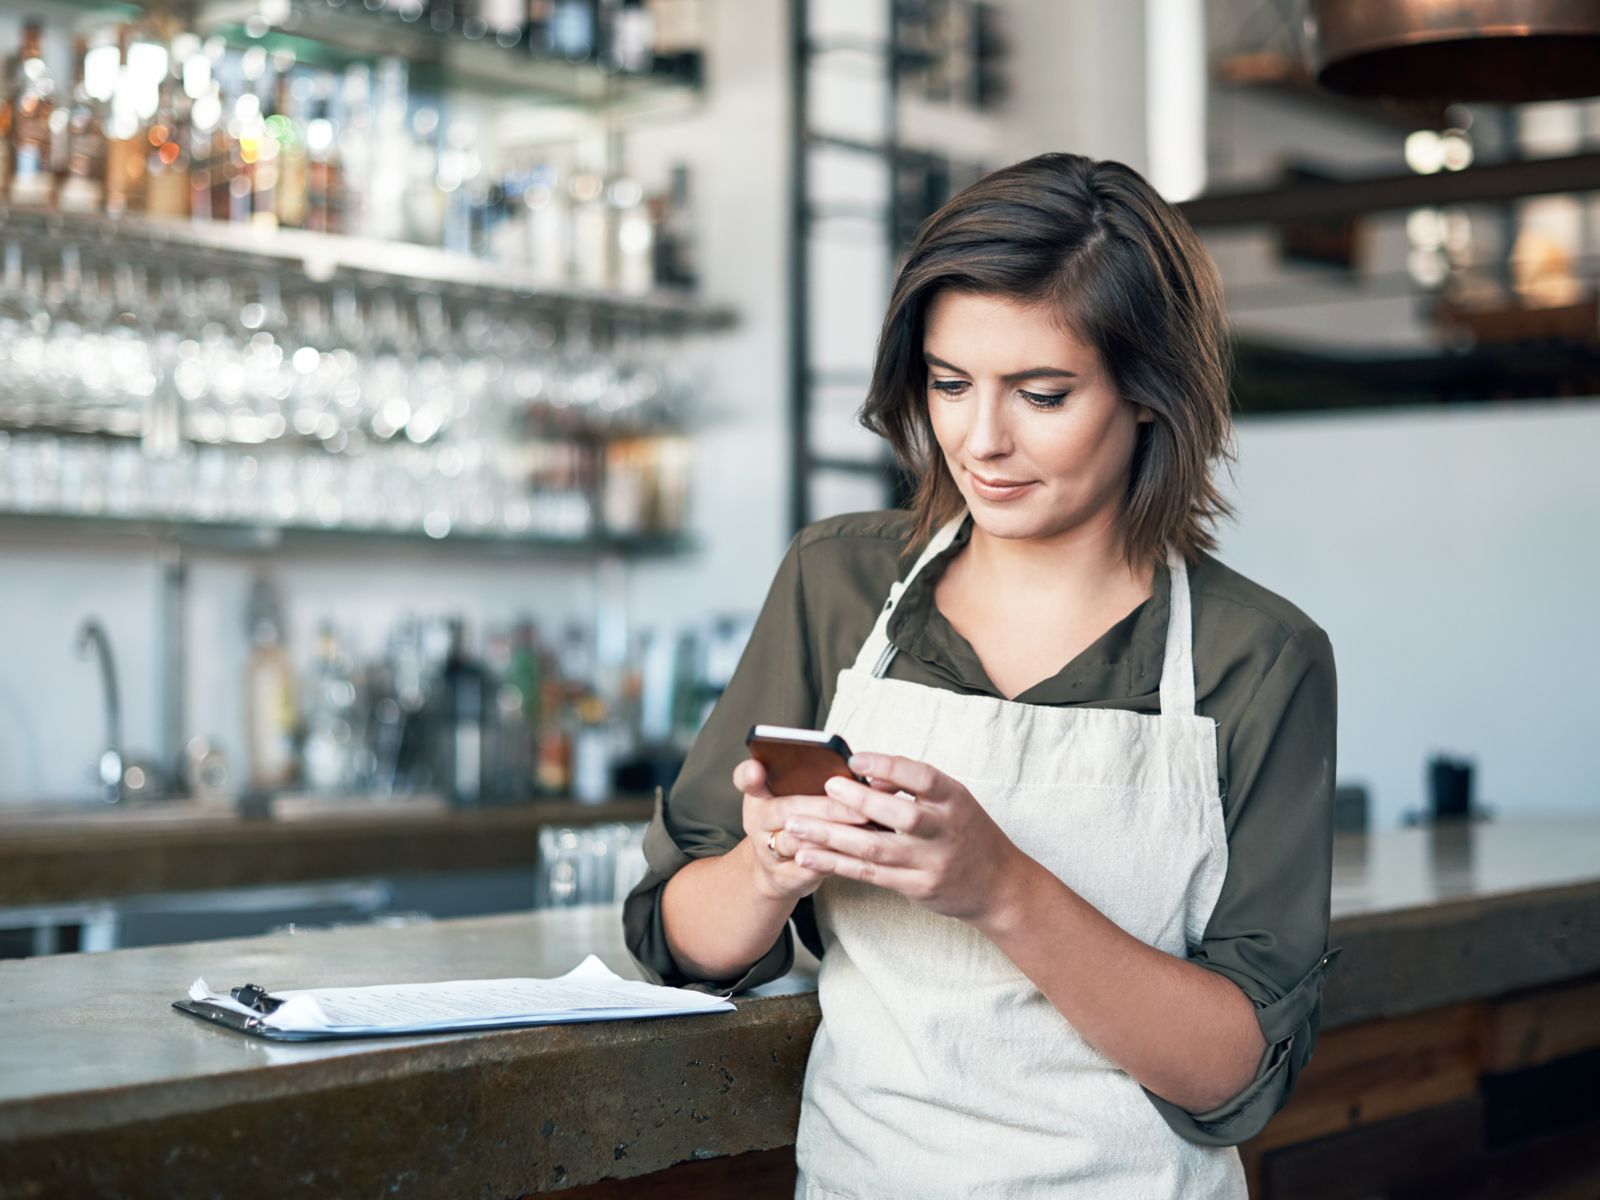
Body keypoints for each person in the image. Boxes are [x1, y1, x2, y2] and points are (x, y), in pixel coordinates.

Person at [623, 152, 1341, 1199]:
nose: (980, 439)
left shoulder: (1259, 657)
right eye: (949, 383)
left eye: (1041, 394)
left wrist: (1000, 889)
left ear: (1150, 395)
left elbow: (1232, 1077)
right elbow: (679, 939)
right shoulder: (837, 583)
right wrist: (769, 867)